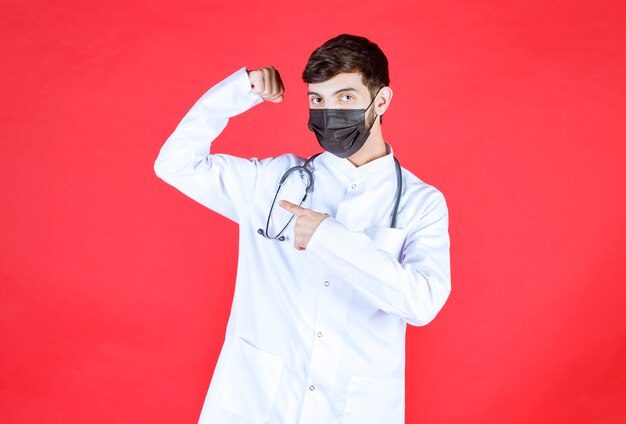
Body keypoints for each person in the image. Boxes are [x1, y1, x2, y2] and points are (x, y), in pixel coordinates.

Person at [154, 34, 451, 424]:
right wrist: (239, 92)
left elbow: (422, 303)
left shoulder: (420, 202)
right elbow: (175, 164)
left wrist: (329, 238)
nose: (329, 112)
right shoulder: (275, 181)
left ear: (381, 101)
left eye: (345, 98)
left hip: (351, 409)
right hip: (257, 403)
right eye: (318, 100)